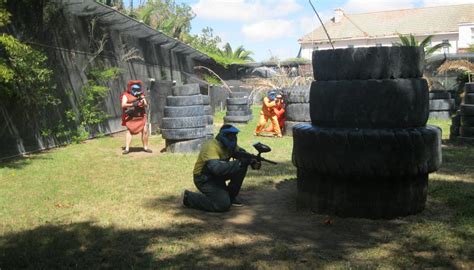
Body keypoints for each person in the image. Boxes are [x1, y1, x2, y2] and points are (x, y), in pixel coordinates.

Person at [182, 125, 261, 212]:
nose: (233, 138)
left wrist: (252, 161)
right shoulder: (211, 146)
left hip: (217, 176)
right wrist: (240, 162)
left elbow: (242, 154)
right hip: (204, 178)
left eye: (235, 135)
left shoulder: (231, 147)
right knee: (222, 204)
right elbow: (217, 169)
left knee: (241, 167)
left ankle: (231, 197)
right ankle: (188, 197)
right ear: (223, 135)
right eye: (230, 135)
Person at [120, 80, 152, 154]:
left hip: (141, 116)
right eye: (134, 89)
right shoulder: (126, 95)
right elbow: (123, 105)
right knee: (129, 131)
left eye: (137, 89)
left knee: (145, 131)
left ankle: (145, 147)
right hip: (131, 117)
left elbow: (146, 105)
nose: (136, 91)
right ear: (130, 88)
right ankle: (127, 149)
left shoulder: (141, 95)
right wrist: (132, 104)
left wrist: (142, 102)